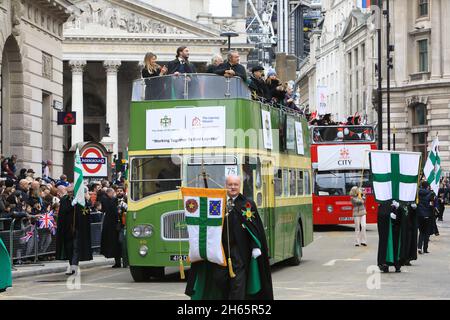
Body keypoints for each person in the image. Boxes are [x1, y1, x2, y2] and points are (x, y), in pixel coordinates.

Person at [186, 175, 273, 300]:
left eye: (235, 185)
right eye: (230, 184)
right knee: (219, 278)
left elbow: (254, 228)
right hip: (220, 250)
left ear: (240, 186)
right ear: (225, 185)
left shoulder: (247, 204)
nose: (233, 187)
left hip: (240, 251)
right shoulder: (217, 202)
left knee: (238, 282)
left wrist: (255, 247)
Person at [55, 186, 93, 275]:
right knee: (69, 248)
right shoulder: (64, 200)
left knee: (76, 248)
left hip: (78, 228)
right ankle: (71, 265)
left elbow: (86, 212)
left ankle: (74, 267)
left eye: (71, 192)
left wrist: (83, 203)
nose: (70, 194)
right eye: (68, 192)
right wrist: (72, 206)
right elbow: (63, 212)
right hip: (67, 228)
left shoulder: (80, 199)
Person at [100, 188, 123, 268]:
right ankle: (119, 262)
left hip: (112, 225)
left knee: (116, 244)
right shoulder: (112, 200)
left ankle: (118, 262)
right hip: (115, 225)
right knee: (117, 243)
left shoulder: (108, 199)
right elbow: (116, 212)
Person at [417, 181, 434, 254]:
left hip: (419, 214)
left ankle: (419, 247)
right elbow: (432, 203)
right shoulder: (430, 193)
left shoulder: (418, 193)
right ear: (427, 186)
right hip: (427, 214)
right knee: (426, 232)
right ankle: (425, 248)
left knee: (421, 232)